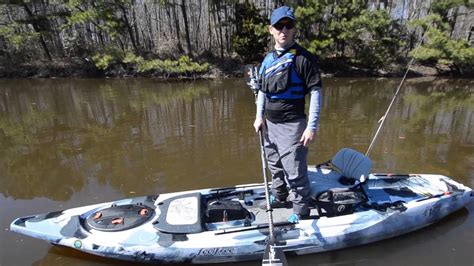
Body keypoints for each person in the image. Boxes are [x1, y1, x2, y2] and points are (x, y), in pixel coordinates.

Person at [253, 6, 322, 223]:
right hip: (269, 125)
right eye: (279, 26)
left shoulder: (304, 59)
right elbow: (262, 90)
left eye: (288, 25)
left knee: (295, 172)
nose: (284, 30)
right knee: (274, 165)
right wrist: (259, 116)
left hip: (293, 126)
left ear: (294, 29)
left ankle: (301, 211)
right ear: (270, 29)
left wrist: (311, 127)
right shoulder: (268, 59)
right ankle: (280, 195)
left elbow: (316, 92)